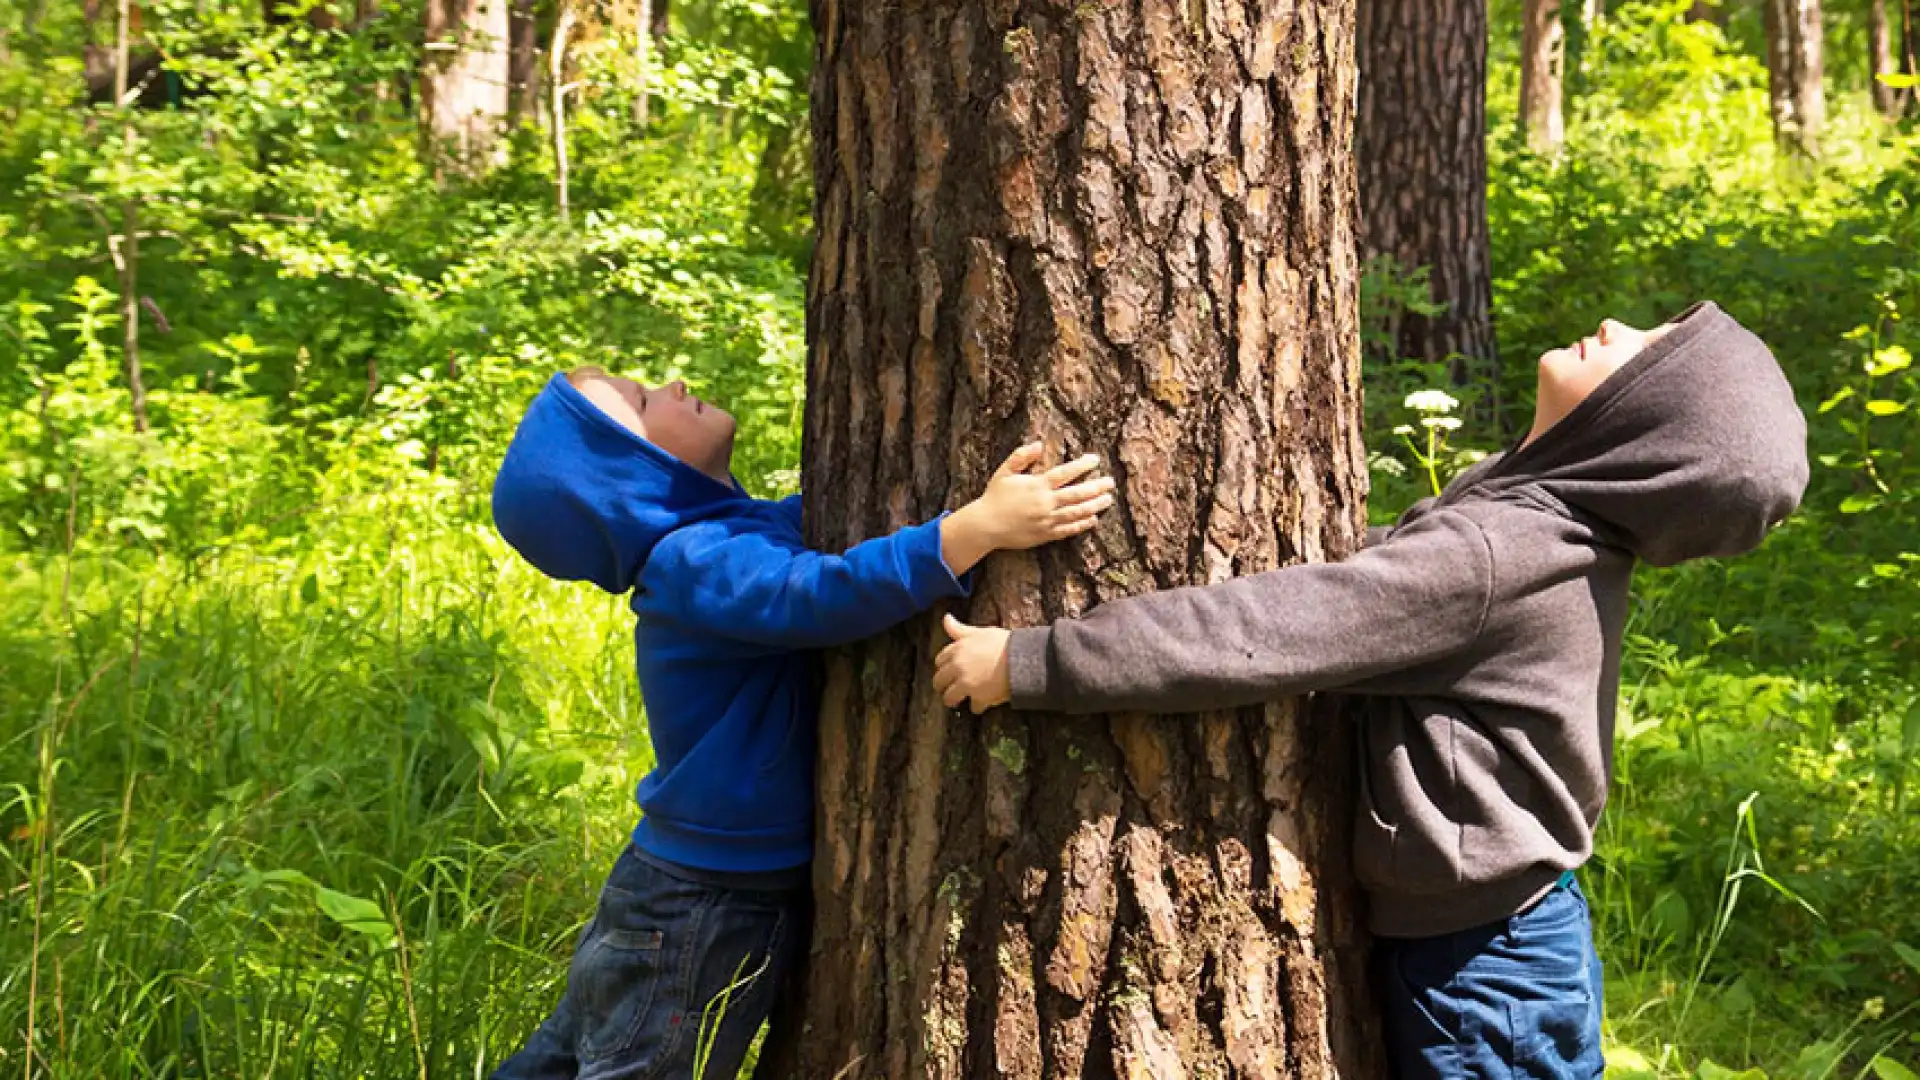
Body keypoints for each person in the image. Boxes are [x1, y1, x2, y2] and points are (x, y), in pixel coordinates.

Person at [931, 301, 1809, 1079]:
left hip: (1487, 971)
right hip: (1493, 947)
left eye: (1645, 352)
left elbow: (1261, 630)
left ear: (1636, 434)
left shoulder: (1499, 556)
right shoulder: (1530, 530)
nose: (1619, 325)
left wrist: (1033, 662)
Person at [489, 366, 1116, 1079]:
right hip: (701, 900)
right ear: (634, 479)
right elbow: (820, 592)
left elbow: (830, 553)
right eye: (640, 402)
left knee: (566, 1059)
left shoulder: (726, 534)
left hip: (685, 890)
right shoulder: (695, 563)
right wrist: (972, 530)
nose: (670, 382)